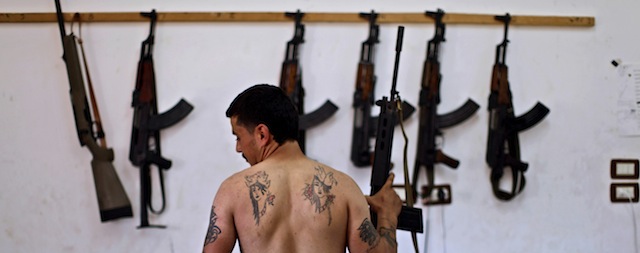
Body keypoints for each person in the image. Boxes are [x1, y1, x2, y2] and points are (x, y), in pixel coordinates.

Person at [202, 84, 402, 253]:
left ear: (262, 134)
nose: (238, 147)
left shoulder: (232, 190)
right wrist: (387, 214)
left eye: (238, 137)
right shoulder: (345, 187)